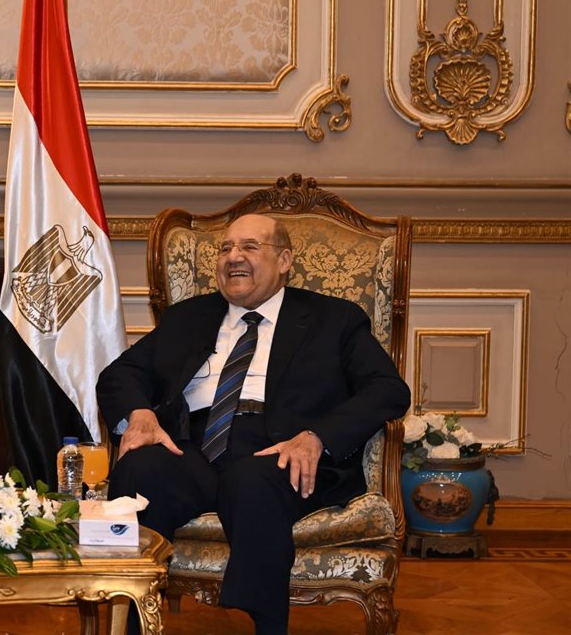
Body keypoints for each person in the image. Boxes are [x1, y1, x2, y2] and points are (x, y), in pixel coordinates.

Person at [97, 213, 410, 635]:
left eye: (249, 247)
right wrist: (141, 413)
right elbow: (120, 374)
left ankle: (267, 625)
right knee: (140, 468)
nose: (233, 257)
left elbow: (388, 389)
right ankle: (132, 622)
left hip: (280, 452)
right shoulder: (188, 317)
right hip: (195, 449)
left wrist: (318, 437)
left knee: (251, 481)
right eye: (225, 248)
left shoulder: (333, 319)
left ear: (284, 260)